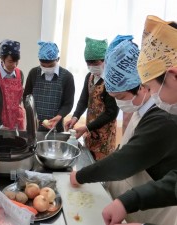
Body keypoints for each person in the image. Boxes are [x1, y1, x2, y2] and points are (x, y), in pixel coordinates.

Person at [69, 32, 177, 224]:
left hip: (153, 211)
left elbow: (125, 161)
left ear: (142, 87)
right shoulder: (141, 108)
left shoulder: (163, 117)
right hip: (129, 206)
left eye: (120, 98)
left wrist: (81, 175)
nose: (119, 104)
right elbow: (124, 150)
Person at [102, 15, 177, 225]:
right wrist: (127, 203)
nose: (152, 96)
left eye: (152, 88)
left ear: (173, 75)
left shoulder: (165, 120)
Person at [65, 37, 119, 160]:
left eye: (95, 64)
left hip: (104, 136)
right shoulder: (89, 77)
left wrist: (87, 127)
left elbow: (111, 113)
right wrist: (75, 117)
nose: (91, 67)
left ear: (105, 60)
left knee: (100, 170)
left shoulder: (111, 81)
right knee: (88, 160)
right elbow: (84, 100)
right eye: (88, 63)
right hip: (90, 133)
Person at [23, 41, 75, 132]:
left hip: (56, 127)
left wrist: (59, 116)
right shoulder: (33, 73)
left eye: (51, 65)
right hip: (34, 126)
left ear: (57, 59)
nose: (47, 68)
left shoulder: (67, 77)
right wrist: (32, 116)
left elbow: (68, 104)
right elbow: (26, 97)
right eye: (43, 65)